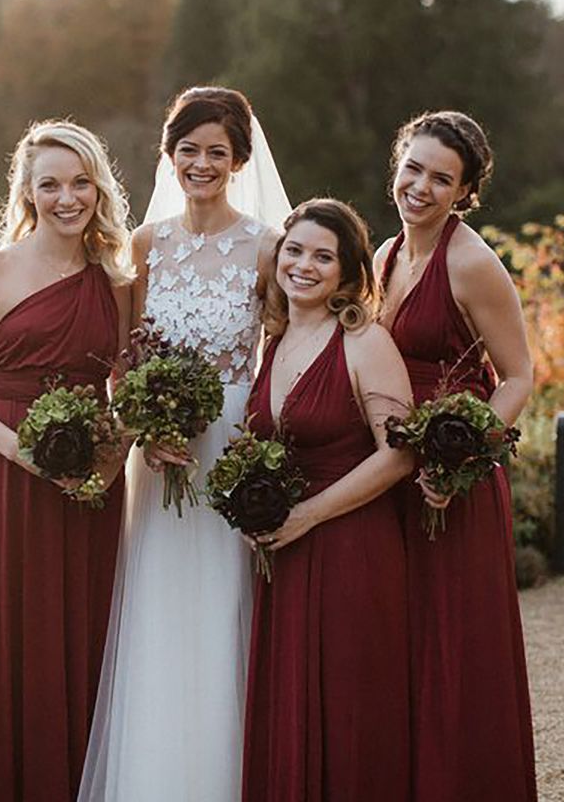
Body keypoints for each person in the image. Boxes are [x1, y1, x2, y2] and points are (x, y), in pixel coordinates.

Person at [79, 87, 290, 802]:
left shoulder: (267, 247)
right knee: (159, 608)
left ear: (239, 161)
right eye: (189, 150)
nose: (202, 164)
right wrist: (144, 428)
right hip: (160, 453)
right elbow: (124, 360)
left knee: (225, 606)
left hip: (231, 446)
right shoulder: (145, 245)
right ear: (169, 155)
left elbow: (283, 356)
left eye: (217, 152)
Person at [0, 121, 135, 802]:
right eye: (50, 184)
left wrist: (112, 462)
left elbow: (126, 385)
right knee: (5, 634)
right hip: (4, 473)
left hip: (88, 486)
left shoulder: (115, 278)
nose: (67, 198)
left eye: (80, 183)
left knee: (77, 636)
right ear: (26, 192)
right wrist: (22, 452)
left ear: (98, 189)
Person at [375, 110, 537, 801]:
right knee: (399, 643)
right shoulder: (384, 256)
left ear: (464, 192)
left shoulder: (471, 264)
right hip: (390, 476)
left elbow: (520, 377)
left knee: (452, 647)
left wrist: (459, 462)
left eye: (441, 179)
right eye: (412, 169)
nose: (420, 187)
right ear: (396, 167)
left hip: (451, 482)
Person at [242, 199, 415, 802]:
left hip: (352, 548)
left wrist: (308, 515)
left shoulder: (364, 341)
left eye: (323, 257)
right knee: (292, 702)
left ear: (347, 273)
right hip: (285, 553)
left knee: (349, 707)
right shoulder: (274, 341)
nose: (304, 266)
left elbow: (398, 455)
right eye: (294, 251)